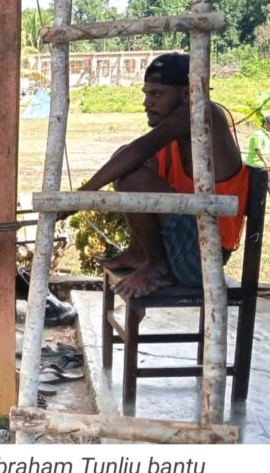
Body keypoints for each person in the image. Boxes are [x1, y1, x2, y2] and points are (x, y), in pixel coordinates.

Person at [64, 53, 248, 298]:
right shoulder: (172, 131)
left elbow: (142, 147)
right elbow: (134, 154)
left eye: (157, 95)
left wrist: (80, 197)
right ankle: (141, 253)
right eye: (146, 94)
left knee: (133, 177)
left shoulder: (202, 111)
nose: (147, 103)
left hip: (206, 257)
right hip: (184, 242)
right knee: (126, 163)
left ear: (186, 94)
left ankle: (158, 267)